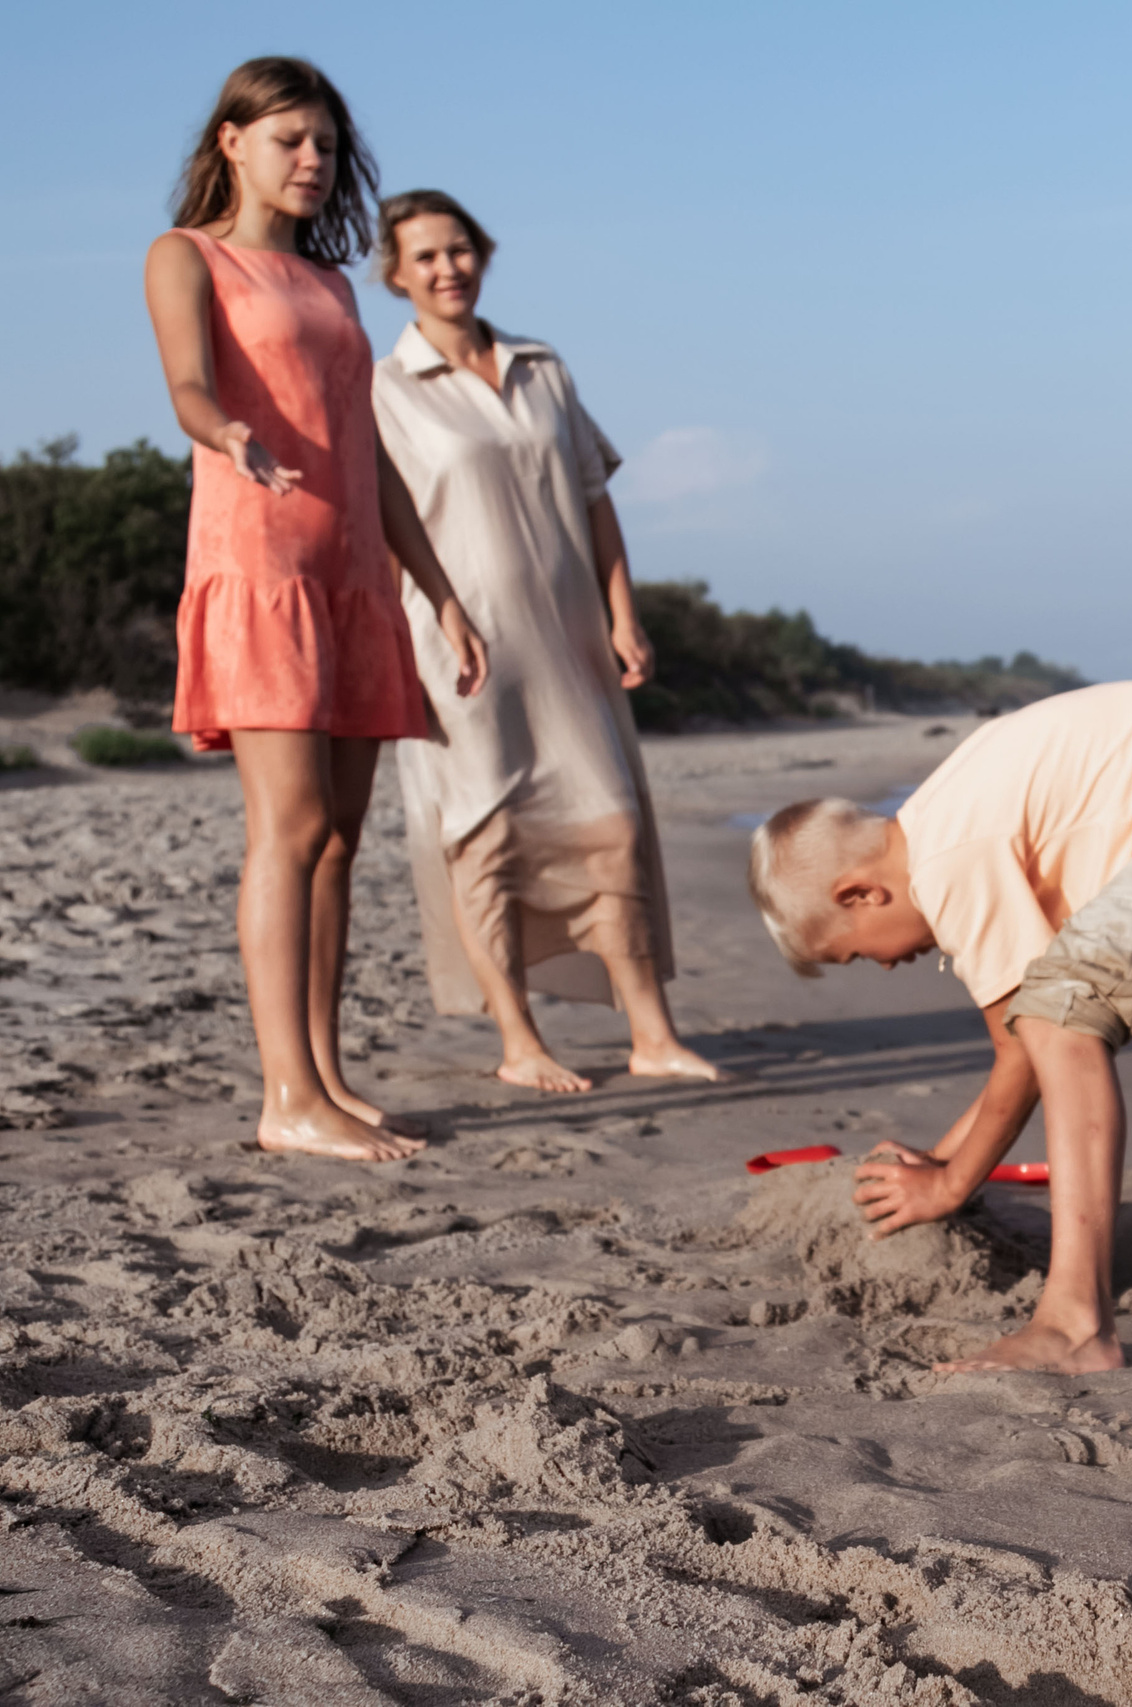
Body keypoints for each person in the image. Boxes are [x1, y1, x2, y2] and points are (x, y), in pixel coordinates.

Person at [747, 681, 1132, 1373]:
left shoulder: (945, 860)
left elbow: (1029, 1038)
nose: (882, 966)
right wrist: (943, 1161)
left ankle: (1076, 1322)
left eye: (855, 950)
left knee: (1062, 1008)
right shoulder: (947, 817)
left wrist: (948, 1182)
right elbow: (1027, 1055)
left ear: (861, 893)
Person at [143, 58, 489, 1163]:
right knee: (287, 831)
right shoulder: (186, 256)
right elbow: (190, 386)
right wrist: (222, 432)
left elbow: (369, 448)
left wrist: (437, 589)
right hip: (259, 565)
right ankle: (283, 1098)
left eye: (327, 145)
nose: (312, 161)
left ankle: (325, 1081)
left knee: (338, 842)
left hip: (351, 574)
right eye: (290, 138)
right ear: (231, 142)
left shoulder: (336, 285)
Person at [369, 190, 720, 1092]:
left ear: (483, 254)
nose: (448, 268)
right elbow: (383, 519)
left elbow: (595, 498)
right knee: (484, 837)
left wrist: (623, 614)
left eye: (461, 249)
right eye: (426, 257)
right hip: (464, 644)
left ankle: (652, 1033)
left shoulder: (543, 366)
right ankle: (518, 1041)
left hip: (568, 640)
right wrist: (443, 614)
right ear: (395, 274)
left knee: (612, 826)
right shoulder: (383, 388)